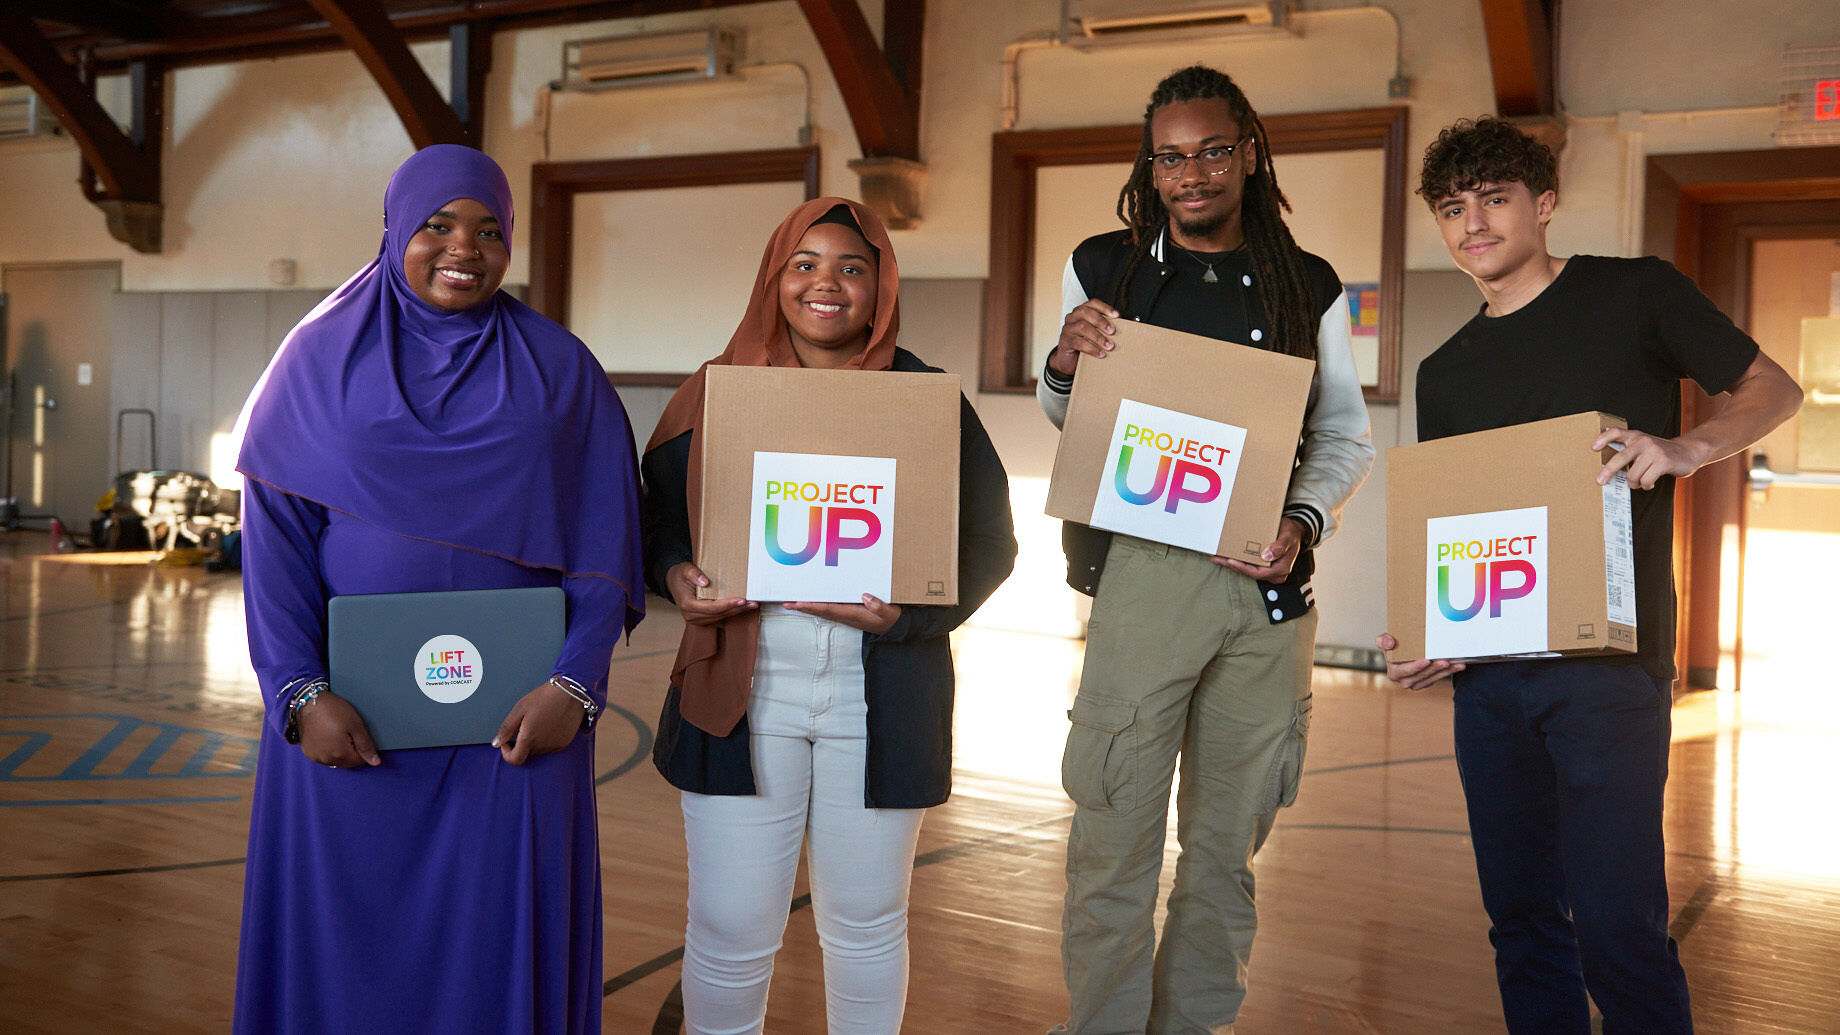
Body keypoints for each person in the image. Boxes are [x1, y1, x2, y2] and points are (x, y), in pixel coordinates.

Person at [1379, 117, 1803, 1035]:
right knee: (1523, 922)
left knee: (1617, 926)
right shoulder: (1442, 372)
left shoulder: (1635, 294)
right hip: (1490, 685)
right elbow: (1460, 525)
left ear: (1543, 202)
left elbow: (1775, 388)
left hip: (1611, 671)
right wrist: (1426, 637)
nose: (1473, 223)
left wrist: (1686, 446)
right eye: (1453, 207)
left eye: (1494, 198)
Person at [233, 144, 645, 1035]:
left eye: (490, 230)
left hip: (517, 728)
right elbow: (273, 547)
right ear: (396, 230)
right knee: (344, 951)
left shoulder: (559, 371)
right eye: (439, 225)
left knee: (501, 940)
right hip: (348, 723)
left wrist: (574, 685)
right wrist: (300, 695)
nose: (465, 247)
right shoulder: (314, 362)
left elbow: (608, 545)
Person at [1038, 66, 1374, 1034]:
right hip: (1142, 585)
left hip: (1266, 601)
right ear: (1151, 164)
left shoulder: (1305, 284)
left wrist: (1299, 526)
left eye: (1212, 150)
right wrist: (1062, 362)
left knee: (1223, 862)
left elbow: (1345, 436)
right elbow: (1072, 424)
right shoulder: (1103, 266)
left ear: (1248, 151)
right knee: (1112, 853)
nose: (1191, 173)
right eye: (1171, 156)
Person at [640, 197, 1017, 1034]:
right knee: (731, 926)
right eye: (804, 263)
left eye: (853, 266)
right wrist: (674, 572)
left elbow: (991, 541)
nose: (827, 284)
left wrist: (904, 618)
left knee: (867, 923)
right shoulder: (714, 392)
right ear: (775, 278)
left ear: (881, 285)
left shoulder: (927, 400)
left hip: (880, 698)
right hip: (742, 695)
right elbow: (652, 519)